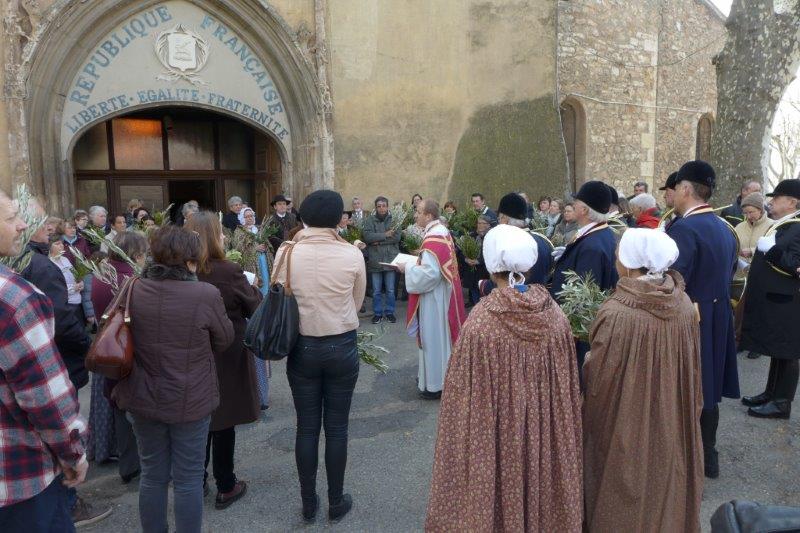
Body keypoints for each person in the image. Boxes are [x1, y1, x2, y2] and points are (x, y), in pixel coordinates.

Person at [426, 224, 582, 532]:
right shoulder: (555, 315)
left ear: (491, 264)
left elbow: (462, 399)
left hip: (498, 434)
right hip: (544, 430)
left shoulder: (481, 324)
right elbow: (566, 387)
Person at [112, 225, 234, 533]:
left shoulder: (133, 287)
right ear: (190, 261)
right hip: (191, 397)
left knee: (153, 474)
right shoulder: (204, 294)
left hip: (142, 394)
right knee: (188, 478)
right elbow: (224, 339)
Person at [583, 228, 703, 532]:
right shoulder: (683, 303)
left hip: (626, 416)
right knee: (664, 470)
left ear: (630, 262)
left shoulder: (618, 313)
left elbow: (599, 380)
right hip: (671, 412)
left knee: (623, 472)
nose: (615, 259)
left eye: (619, 254)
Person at [272, 190, 366, 523]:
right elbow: (357, 302)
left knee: (307, 428)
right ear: (338, 219)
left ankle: (308, 502)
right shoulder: (351, 253)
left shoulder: (286, 251)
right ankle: (336, 501)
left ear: (304, 217)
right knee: (337, 428)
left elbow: (277, 292)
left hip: (303, 346)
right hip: (341, 343)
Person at [0, 188, 90, 532]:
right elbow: (45, 399)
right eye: (12, 217)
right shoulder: (13, 299)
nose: (22, 225)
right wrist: (73, 453)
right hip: (19, 481)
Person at [666, 160, 739, 479]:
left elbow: (674, 279)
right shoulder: (722, 226)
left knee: (688, 385)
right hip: (716, 313)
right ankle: (708, 454)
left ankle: (691, 458)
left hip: (692, 316)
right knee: (707, 386)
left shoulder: (685, 228)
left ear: (685, 189)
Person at [186, 212, 262, 509]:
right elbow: (254, 306)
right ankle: (226, 484)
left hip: (190, 353)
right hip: (225, 352)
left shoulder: (179, 271)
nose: (224, 237)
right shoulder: (227, 270)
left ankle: (196, 480)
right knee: (223, 419)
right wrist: (252, 286)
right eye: (219, 232)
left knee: (197, 418)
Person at [89, 232, 147, 484]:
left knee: (118, 407)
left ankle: (127, 464)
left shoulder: (101, 274)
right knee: (132, 410)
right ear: (135, 254)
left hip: (108, 348)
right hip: (127, 350)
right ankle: (137, 464)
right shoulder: (130, 280)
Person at [740, 179, 800, 419]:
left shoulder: (797, 226)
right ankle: (771, 393)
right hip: (778, 299)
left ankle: (782, 403)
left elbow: (795, 264)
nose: (771, 202)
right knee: (778, 349)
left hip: (789, 301)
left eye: (777, 198)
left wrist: (772, 251)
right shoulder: (787, 223)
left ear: (792, 202)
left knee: (788, 351)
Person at [398, 199, 466, 399]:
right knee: (441, 338)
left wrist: (407, 268)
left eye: (419, 211)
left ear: (429, 216)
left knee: (433, 339)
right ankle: (439, 379)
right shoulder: (441, 231)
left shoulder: (433, 238)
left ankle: (435, 384)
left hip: (434, 299)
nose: (415, 215)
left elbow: (430, 275)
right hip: (443, 294)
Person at [550, 181, 618, 375]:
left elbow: (583, 298)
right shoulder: (598, 234)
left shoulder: (592, 246)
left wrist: (572, 333)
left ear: (585, 210)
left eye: (577, 202)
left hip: (581, 335)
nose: (573, 205)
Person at [362, 196, 401, 323]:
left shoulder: (394, 220)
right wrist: (385, 235)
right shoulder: (369, 220)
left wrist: (378, 241)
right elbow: (367, 237)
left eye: (384, 206)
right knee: (376, 291)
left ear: (387, 207)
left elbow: (396, 238)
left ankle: (389, 312)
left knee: (390, 290)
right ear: (376, 208)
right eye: (379, 206)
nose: (381, 208)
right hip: (376, 260)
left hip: (390, 259)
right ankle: (377, 313)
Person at [734, 192, 773, 265]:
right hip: (740, 270)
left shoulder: (772, 225)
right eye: (745, 213)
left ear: (760, 210)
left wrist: (752, 251)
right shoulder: (739, 227)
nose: (748, 216)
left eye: (751, 212)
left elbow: (774, 249)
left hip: (761, 269)